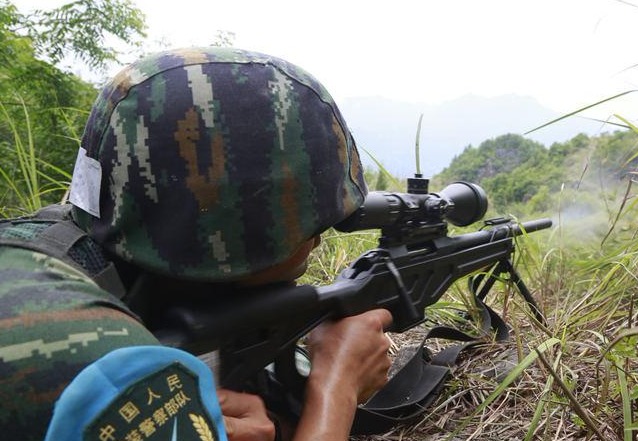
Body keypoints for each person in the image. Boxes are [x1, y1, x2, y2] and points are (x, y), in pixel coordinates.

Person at [0, 47, 392, 441]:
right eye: (312, 222)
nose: (318, 237)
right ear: (244, 232)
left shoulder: (74, 247)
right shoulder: (84, 350)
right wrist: (338, 385)